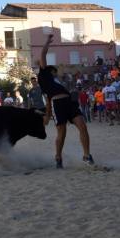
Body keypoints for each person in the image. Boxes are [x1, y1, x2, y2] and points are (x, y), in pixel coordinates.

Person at [38, 34, 93, 168]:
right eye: (55, 71)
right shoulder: (44, 74)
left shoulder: (58, 81)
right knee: (62, 133)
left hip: (69, 103)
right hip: (57, 104)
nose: (57, 73)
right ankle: (58, 157)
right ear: (51, 70)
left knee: (83, 126)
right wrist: (47, 42)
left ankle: (86, 156)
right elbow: (43, 55)